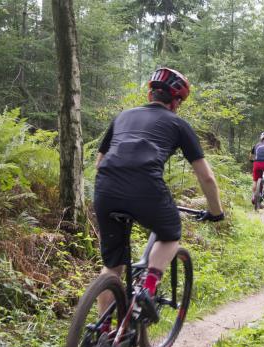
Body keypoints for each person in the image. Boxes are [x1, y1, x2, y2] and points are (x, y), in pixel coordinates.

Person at [94, 67, 224, 322]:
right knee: (170, 232)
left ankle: (103, 332)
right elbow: (206, 176)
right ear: (175, 101)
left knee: (112, 265)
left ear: (151, 94)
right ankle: (148, 287)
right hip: (145, 187)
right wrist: (216, 212)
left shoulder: (123, 117)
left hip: (105, 188)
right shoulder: (178, 123)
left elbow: (100, 162)